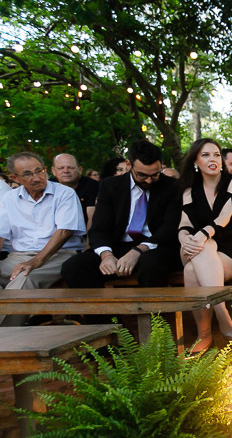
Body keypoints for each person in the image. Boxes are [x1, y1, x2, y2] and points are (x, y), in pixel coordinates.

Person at [178, 138, 232, 350]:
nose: (213, 159)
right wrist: (184, 239)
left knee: (191, 270)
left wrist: (201, 235)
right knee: (196, 259)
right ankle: (218, 320)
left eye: (216, 154)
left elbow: (226, 215)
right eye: (206, 155)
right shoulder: (190, 191)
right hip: (209, 246)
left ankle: (209, 331)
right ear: (196, 161)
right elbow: (184, 222)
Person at [61, 139, 182, 289]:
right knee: (73, 267)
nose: (149, 181)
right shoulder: (110, 186)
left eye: (155, 175)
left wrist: (138, 251)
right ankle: (103, 312)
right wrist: (106, 255)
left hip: (156, 247)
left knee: (150, 264)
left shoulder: (172, 187)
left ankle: (153, 312)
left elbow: (169, 228)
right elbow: (99, 228)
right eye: (142, 175)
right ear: (129, 164)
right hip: (118, 246)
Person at [0, 153, 85, 325]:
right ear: (13, 177)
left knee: (23, 279)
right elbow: (1, 234)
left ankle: (6, 338)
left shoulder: (65, 193)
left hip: (59, 254)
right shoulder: (9, 198)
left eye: (40, 171)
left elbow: (64, 232)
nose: (37, 177)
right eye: (27, 174)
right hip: (18, 255)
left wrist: (35, 261)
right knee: (20, 274)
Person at [52, 153, 99, 226]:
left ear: (80, 170)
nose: (66, 171)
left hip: (83, 233)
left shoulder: (93, 186)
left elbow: (92, 218)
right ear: (53, 171)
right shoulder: (48, 187)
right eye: (61, 168)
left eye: (70, 167)